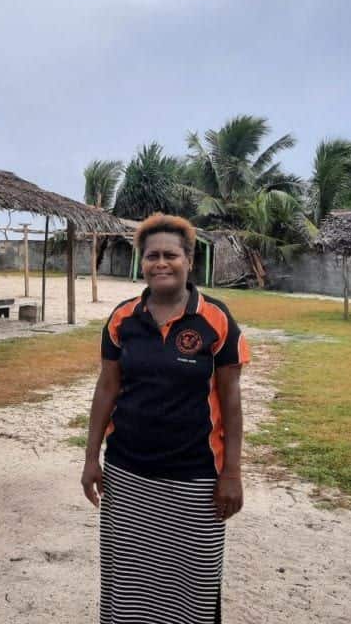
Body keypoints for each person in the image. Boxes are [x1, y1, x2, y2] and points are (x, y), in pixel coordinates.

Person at [81, 212, 251, 624]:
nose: (161, 263)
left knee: (192, 581)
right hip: (128, 474)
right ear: (142, 261)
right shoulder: (123, 318)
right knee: (128, 578)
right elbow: (107, 389)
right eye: (152, 255)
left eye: (170, 255)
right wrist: (91, 458)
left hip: (195, 478)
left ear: (189, 259)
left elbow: (230, 399)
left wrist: (232, 473)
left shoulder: (216, 320)